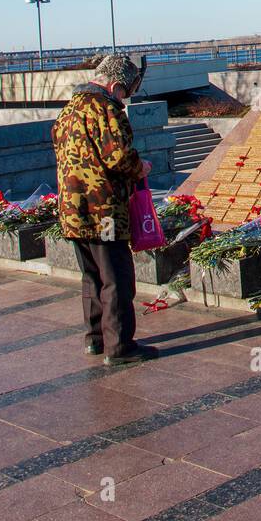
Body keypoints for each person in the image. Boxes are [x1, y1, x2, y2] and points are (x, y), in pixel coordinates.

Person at [51, 52, 159, 366]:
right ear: (113, 86)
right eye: (125, 92)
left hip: (72, 211)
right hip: (104, 212)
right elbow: (118, 158)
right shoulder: (105, 109)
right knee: (117, 279)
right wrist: (141, 167)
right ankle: (120, 347)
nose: (124, 98)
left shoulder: (69, 110)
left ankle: (95, 340)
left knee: (92, 278)